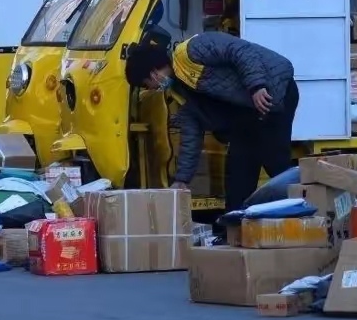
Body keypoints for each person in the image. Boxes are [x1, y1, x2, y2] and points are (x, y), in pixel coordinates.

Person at [124, 32, 299, 212]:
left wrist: (257, 86)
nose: (151, 89)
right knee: (239, 171)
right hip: (248, 114)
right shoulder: (180, 92)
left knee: (274, 160)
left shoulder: (193, 50)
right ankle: (234, 225)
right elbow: (191, 135)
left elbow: (241, 50)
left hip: (274, 92)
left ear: (153, 74)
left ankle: (308, 207)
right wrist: (182, 180)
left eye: (146, 85)